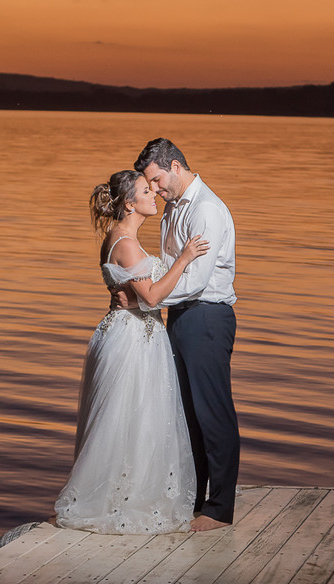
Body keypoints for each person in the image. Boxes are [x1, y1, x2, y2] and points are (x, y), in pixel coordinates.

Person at [54, 169, 209, 535]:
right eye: (145, 190)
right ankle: (117, 498)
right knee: (125, 418)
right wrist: (185, 258)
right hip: (131, 338)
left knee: (135, 418)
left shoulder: (121, 237)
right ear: (129, 203)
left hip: (136, 334)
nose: (152, 193)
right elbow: (152, 297)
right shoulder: (124, 243)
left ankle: (129, 489)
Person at [133, 138, 240, 532]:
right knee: (186, 415)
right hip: (179, 316)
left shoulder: (207, 209)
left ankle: (219, 508)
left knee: (213, 413)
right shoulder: (173, 210)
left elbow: (194, 281)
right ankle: (192, 499)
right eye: (151, 183)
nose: (156, 190)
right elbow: (169, 266)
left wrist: (149, 298)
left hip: (207, 316)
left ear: (175, 166)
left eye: (158, 180)